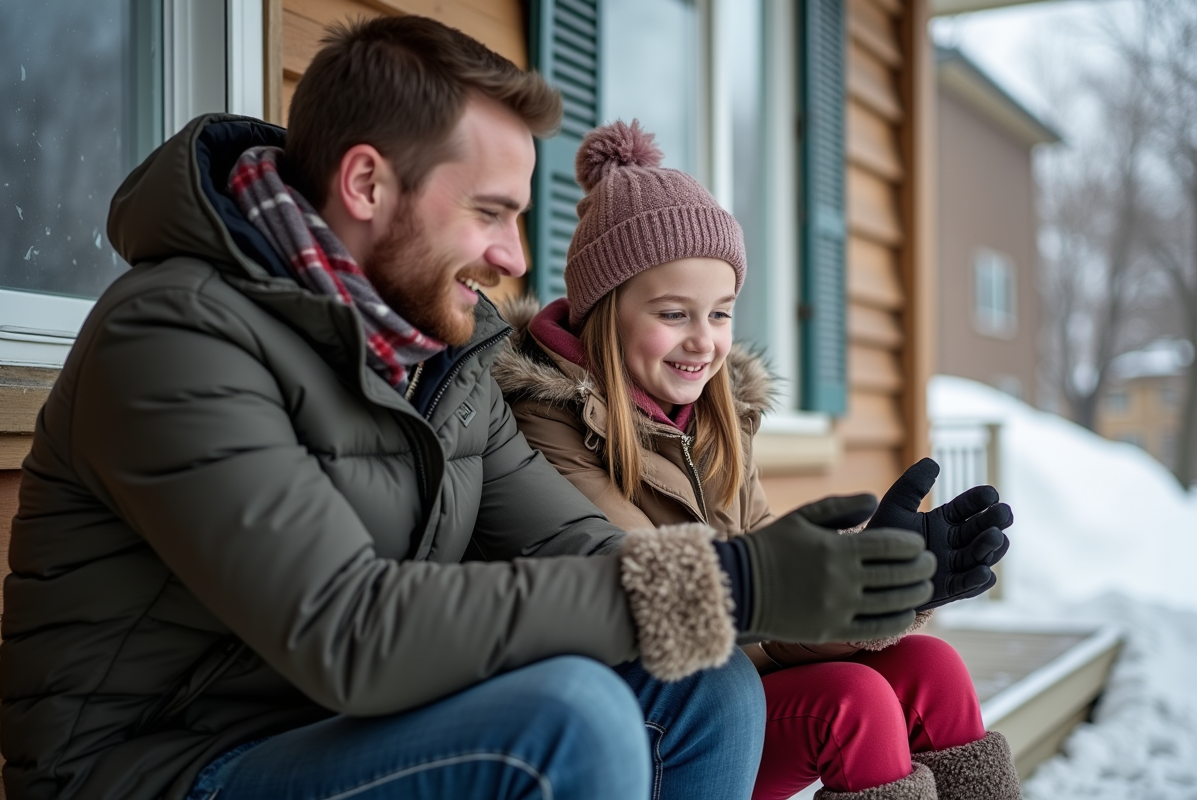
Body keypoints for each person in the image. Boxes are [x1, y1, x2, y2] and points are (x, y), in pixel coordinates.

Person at [0, 16, 942, 800]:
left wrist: (803, 580)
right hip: (166, 769)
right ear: (368, 184)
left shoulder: (437, 358)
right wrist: (733, 585)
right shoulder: (175, 338)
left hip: (335, 732)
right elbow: (349, 629)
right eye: (491, 213)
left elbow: (577, 548)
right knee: (566, 722)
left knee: (709, 681)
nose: (517, 258)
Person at [494, 119, 1021, 800]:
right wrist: (844, 598)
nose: (703, 342)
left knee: (931, 668)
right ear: (605, 309)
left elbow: (763, 598)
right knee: (852, 703)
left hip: (731, 667)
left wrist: (881, 584)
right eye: (675, 313)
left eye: (721, 314)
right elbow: (673, 611)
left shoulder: (714, 419)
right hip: (656, 712)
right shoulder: (551, 425)